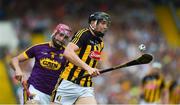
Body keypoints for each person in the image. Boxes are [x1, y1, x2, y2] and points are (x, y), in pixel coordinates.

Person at [51, 12, 111, 105]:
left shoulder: (100, 43)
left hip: (85, 87)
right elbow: (68, 52)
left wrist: (96, 70)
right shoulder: (83, 34)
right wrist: (88, 68)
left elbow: (92, 63)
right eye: (103, 23)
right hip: (69, 83)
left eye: (106, 24)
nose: (105, 26)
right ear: (93, 23)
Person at [10, 23, 72, 104]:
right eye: (61, 35)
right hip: (34, 90)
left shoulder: (68, 54)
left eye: (65, 37)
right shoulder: (38, 48)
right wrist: (18, 70)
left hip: (53, 96)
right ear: (55, 32)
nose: (62, 39)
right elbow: (14, 60)